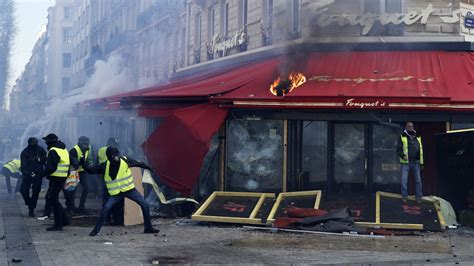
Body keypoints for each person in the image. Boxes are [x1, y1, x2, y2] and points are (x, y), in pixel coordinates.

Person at [85, 147, 159, 236]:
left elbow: (138, 163)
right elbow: (92, 170)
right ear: (109, 157)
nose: (116, 157)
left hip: (130, 190)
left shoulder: (125, 160)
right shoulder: (105, 165)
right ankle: (96, 231)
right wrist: (84, 165)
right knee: (105, 209)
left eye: (116, 154)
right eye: (113, 155)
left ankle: (148, 228)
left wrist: (149, 167)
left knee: (144, 204)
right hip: (115, 194)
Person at [42, 133, 70, 231]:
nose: (45, 143)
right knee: (54, 199)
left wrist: (42, 174)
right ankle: (65, 220)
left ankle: (58, 225)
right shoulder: (63, 149)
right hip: (62, 177)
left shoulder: (53, 150)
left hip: (55, 178)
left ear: (50, 142)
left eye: (46, 141)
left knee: (53, 200)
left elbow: (51, 167)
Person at [97, 138, 123, 225]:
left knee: (105, 197)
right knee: (113, 197)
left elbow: (96, 161)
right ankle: (113, 218)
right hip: (111, 174)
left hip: (102, 173)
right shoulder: (114, 150)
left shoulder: (101, 150)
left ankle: (106, 218)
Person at [396, 122, 424, 203]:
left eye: (412, 126)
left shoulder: (418, 137)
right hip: (406, 162)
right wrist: (402, 155)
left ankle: (419, 197)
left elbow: (421, 150)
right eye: (409, 126)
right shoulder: (402, 137)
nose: (411, 128)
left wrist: (422, 163)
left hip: (416, 162)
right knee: (404, 180)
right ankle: (404, 196)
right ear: (406, 127)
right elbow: (398, 149)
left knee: (418, 180)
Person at [20, 137, 47, 217]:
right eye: (32, 142)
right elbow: (23, 165)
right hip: (28, 174)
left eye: (35, 142)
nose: (34, 143)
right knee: (23, 190)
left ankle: (31, 209)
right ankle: (29, 202)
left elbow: (45, 159)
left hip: (38, 174)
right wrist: (26, 172)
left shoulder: (41, 150)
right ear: (29, 143)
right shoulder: (25, 152)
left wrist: (40, 161)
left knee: (36, 192)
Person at [66, 136, 93, 214]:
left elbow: (87, 160)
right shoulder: (74, 150)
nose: (87, 146)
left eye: (87, 144)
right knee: (72, 190)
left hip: (82, 172)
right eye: (85, 144)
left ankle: (81, 207)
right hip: (73, 171)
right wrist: (81, 162)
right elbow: (75, 164)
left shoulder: (87, 150)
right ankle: (71, 207)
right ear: (80, 143)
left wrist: (88, 165)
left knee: (87, 188)